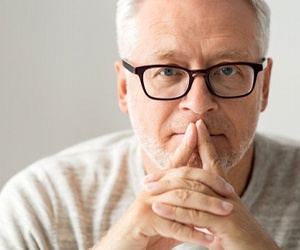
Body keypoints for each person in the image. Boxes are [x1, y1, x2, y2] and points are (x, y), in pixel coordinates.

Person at [1, 0, 300, 249]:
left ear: (264, 87)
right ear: (124, 88)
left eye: (228, 69)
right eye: (168, 70)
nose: (197, 104)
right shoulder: (41, 205)